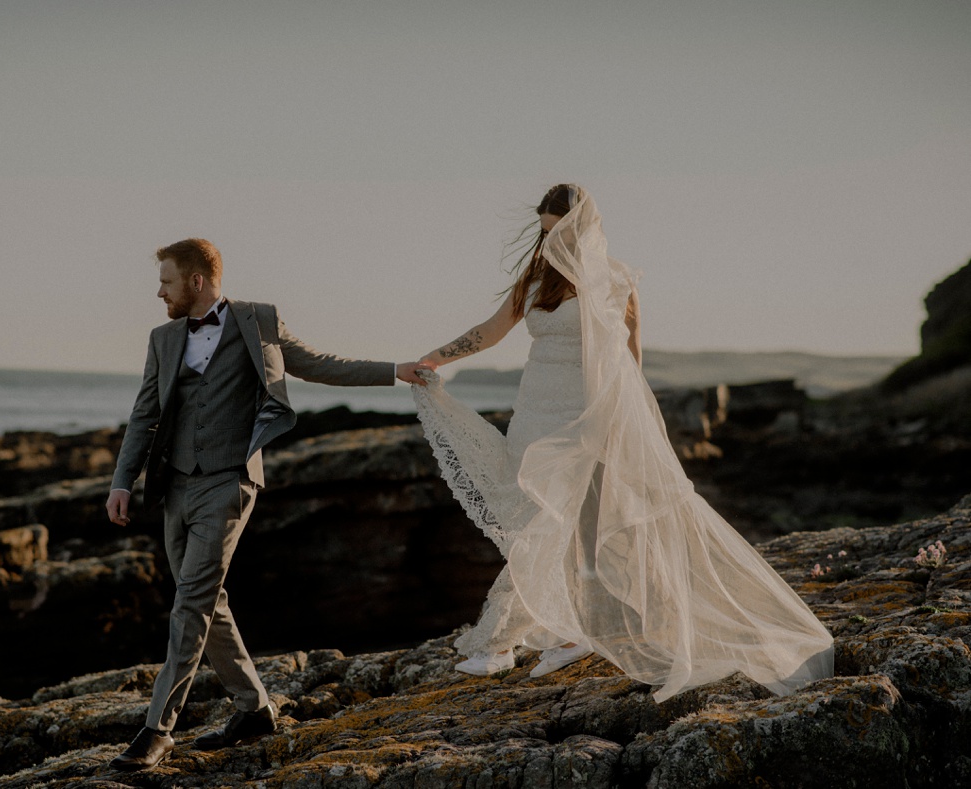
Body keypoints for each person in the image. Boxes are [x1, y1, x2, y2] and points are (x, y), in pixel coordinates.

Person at [412, 185, 833, 699]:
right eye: (544, 232)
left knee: (565, 524)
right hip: (534, 415)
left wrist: (629, 430)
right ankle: (570, 632)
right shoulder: (536, 277)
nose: (549, 241)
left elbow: (632, 362)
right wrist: (434, 358)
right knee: (538, 519)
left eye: (558, 231)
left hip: (585, 418)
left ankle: (501, 642)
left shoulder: (616, 280)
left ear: (583, 228)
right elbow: (493, 330)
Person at [106, 238, 427, 771]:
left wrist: (395, 369)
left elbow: (318, 364)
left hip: (229, 483)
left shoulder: (259, 321)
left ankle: (157, 729)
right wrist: (122, 482)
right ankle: (255, 708)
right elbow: (144, 415)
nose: (157, 291)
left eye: (165, 281)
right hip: (174, 487)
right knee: (208, 601)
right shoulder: (162, 338)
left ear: (196, 281)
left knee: (190, 601)